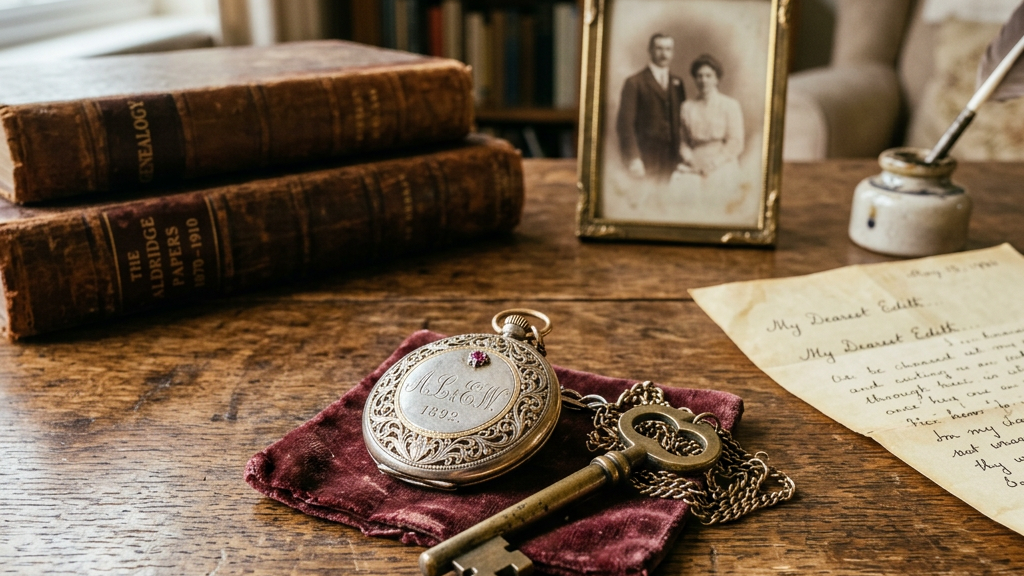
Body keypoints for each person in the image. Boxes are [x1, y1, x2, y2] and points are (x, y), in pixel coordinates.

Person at [616, 33, 686, 182]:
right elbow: (625, 125)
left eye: (668, 49)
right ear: (650, 50)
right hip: (645, 158)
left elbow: (682, 123)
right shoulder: (635, 82)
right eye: (659, 48)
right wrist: (634, 158)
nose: (664, 54)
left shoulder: (677, 83)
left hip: (672, 160)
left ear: (672, 52)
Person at [676, 54, 744, 192]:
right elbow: (683, 142)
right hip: (694, 162)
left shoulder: (729, 105)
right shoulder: (687, 107)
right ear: (695, 79)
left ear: (716, 79)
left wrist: (713, 164)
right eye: (699, 76)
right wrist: (690, 160)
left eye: (708, 76)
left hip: (722, 161)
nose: (703, 80)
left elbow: (735, 141)